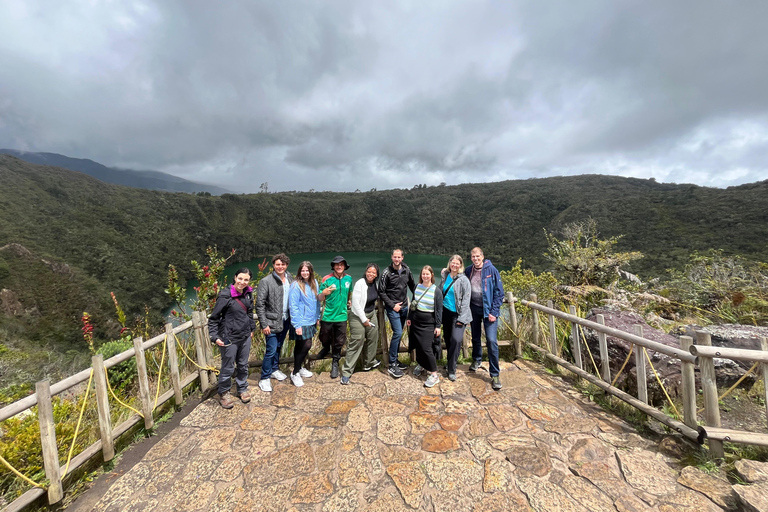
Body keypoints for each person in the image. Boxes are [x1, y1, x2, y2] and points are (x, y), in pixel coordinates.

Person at [208, 268, 256, 409]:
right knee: (228, 367)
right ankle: (224, 392)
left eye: (246, 280)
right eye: (240, 278)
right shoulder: (225, 295)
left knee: (243, 364)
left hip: (245, 336)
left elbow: (250, 312)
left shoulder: (248, 293)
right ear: (235, 277)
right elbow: (214, 319)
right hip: (229, 338)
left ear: (249, 281)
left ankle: (242, 388)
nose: (242, 282)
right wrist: (214, 337)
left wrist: (251, 328)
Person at [465, 247, 505, 390]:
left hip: (489, 312)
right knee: (475, 337)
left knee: (491, 340)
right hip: (474, 308)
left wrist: (494, 312)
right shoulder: (469, 270)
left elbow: (499, 293)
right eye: (473, 256)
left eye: (478, 256)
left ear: (482, 256)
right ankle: (477, 360)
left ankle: (495, 374)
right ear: (471, 258)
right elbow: (461, 282)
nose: (475, 259)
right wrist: (445, 273)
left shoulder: (491, 270)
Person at [255, 253, 294, 392]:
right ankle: (264, 378)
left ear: (286, 265)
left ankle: (274, 369)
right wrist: (264, 324)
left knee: (278, 346)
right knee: (271, 350)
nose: (280, 267)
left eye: (283, 264)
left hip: (285, 320)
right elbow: (259, 305)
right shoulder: (266, 281)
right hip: (271, 322)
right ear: (273, 265)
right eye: (278, 264)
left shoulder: (290, 278)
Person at [378, 249, 416, 378]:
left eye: (399, 257)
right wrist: (392, 305)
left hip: (404, 307)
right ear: (391, 257)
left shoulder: (406, 269)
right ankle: (392, 363)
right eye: (395, 257)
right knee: (398, 333)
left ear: (402, 257)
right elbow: (381, 292)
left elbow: (412, 285)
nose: (397, 259)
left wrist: (418, 297)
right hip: (393, 308)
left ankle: (395, 360)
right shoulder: (386, 273)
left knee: (398, 335)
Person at [341, 263, 380, 384]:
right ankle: (347, 372)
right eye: (369, 271)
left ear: (376, 274)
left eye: (374, 272)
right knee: (357, 341)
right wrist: (364, 319)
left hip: (371, 314)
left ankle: (369, 362)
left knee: (373, 337)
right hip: (357, 316)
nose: (371, 274)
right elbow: (356, 304)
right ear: (365, 271)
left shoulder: (375, 284)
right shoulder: (360, 283)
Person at [406, 266, 443, 388]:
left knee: (427, 348)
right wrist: (410, 318)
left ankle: (434, 374)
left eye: (427, 274)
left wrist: (438, 326)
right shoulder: (417, 287)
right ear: (421, 275)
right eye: (423, 274)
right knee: (419, 346)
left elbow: (439, 310)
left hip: (429, 324)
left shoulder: (436, 291)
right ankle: (421, 364)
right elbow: (413, 304)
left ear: (432, 275)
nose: (425, 276)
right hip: (416, 321)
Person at [288, 261, 322, 387]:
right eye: (303, 270)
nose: (305, 273)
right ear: (299, 272)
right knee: (306, 345)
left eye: (307, 270)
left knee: (301, 346)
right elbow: (293, 306)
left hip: (311, 320)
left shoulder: (314, 283)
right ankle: (295, 372)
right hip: (301, 321)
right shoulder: (296, 285)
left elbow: (317, 301)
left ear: (311, 271)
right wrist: (297, 325)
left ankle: (299, 368)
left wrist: (318, 316)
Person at [317, 255, 352, 379]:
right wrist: (323, 293)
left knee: (339, 341)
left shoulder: (349, 279)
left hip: (342, 316)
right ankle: (326, 348)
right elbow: (319, 298)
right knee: (324, 336)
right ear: (333, 266)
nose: (339, 266)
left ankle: (335, 362)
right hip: (327, 315)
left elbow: (349, 293)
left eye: (341, 264)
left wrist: (349, 301)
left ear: (344, 266)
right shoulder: (326, 279)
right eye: (337, 264)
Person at [441, 255, 472, 381]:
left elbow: (466, 300)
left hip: (458, 314)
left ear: (460, 265)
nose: (454, 265)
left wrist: (461, 319)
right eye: (452, 263)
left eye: (457, 263)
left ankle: (452, 369)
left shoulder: (464, 280)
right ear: (449, 264)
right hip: (445, 312)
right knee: (448, 339)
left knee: (456, 339)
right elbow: (440, 291)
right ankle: (449, 363)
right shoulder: (445, 275)